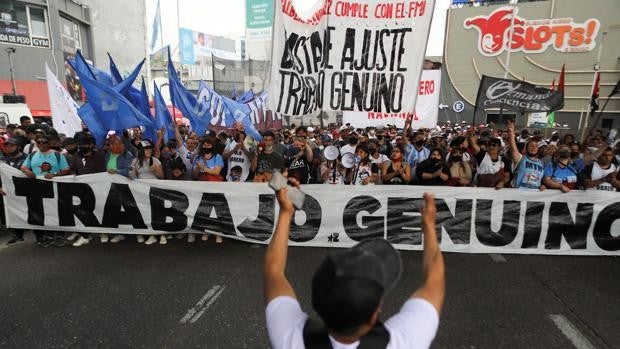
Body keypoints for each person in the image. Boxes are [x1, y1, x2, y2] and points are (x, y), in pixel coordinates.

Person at [264, 186, 444, 348]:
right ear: (375, 315)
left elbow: (274, 269)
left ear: (316, 303)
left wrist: (286, 213)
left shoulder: (290, 339)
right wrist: (428, 225)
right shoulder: (404, 341)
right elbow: (435, 280)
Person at [20, 134, 70, 247]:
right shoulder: (32, 155)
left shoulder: (57, 154)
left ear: (49, 142)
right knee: (40, 211)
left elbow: (66, 169)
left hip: (54, 187)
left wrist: (55, 174)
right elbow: (23, 167)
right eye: (39, 142)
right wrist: (27, 171)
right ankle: (46, 235)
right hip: (37, 187)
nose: (41, 144)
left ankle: (60, 235)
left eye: (44, 141)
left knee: (56, 211)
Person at [68, 136, 107, 246]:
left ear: (91, 145)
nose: (81, 147)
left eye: (84, 144)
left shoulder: (99, 156)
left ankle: (103, 232)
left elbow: (102, 172)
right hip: (81, 190)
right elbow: (73, 169)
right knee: (82, 211)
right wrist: (73, 174)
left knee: (99, 210)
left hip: (97, 189)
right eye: (79, 145)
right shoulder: (77, 156)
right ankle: (85, 235)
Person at [130, 139, 165, 245]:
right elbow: (133, 176)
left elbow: (162, 177)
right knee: (146, 212)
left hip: (154, 189)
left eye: (150, 149)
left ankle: (162, 234)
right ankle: (152, 235)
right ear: (141, 150)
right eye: (146, 149)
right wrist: (131, 173)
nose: (149, 151)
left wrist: (156, 170)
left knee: (157, 212)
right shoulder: (135, 161)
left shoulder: (155, 160)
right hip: (141, 190)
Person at [1, 138, 27, 245]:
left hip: (25, 189)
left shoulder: (27, 158)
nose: (9, 148)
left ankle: (40, 235)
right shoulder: (3, 160)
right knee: (12, 212)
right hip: (9, 191)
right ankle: (18, 235)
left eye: (12, 145)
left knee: (31, 210)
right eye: (7, 146)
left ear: (18, 147)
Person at [507, 120, 544, 190]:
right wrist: (511, 132)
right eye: (531, 146)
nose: (534, 147)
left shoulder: (541, 162)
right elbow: (513, 148)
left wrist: (542, 185)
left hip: (533, 195)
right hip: (517, 193)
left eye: (536, 146)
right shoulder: (520, 158)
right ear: (526, 149)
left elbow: (539, 178)